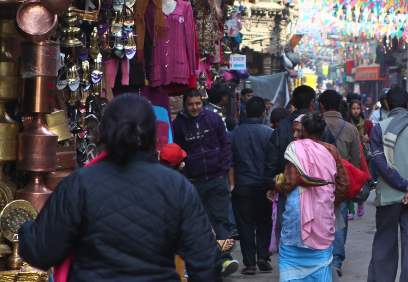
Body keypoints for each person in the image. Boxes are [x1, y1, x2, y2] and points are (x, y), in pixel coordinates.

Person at [18, 94, 226, 281]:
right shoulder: (177, 185)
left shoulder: (78, 184)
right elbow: (206, 263)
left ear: (104, 131)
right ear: (153, 134)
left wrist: (27, 228)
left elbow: (41, 252)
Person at [272, 113, 350, 282]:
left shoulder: (295, 148)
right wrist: (332, 200)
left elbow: (289, 182)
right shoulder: (332, 150)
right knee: (321, 257)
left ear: (304, 130)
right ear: (323, 132)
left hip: (297, 211)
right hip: (324, 209)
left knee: (291, 255)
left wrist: (278, 185)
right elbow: (344, 183)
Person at [367, 86, 408, 282]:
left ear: (386, 104)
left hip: (389, 198)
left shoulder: (378, 129)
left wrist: (405, 186)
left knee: (384, 248)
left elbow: (381, 164)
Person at [171, 89, 236, 265]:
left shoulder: (214, 119)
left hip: (217, 178)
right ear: (184, 105)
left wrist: (223, 171)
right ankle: (200, 260)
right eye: (190, 104)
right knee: (195, 221)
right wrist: (185, 178)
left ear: (202, 103)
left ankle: (224, 259)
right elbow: (178, 153)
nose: (194, 107)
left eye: (197, 103)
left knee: (221, 221)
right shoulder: (178, 124)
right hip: (193, 182)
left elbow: (225, 144)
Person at [318, 90, 362, 275]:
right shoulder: (351, 129)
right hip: (340, 183)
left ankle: (321, 258)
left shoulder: (312, 125)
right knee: (339, 219)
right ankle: (336, 261)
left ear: (320, 106)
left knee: (317, 218)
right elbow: (357, 161)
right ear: (339, 106)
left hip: (317, 182)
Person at [231, 96, 274, 275]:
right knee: (264, 221)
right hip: (263, 185)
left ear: (246, 112)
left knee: (245, 225)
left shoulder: (234, 134)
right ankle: (263, 256)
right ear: (264, 113)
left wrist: (232, 184)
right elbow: (272, 161)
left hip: (242, 185)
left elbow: (230, 161)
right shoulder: (270, 133)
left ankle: (249, 263)